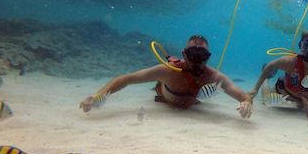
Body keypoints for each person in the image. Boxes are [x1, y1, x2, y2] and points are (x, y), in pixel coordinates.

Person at [79, 35, 252, 118]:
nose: (197, 61)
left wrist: (246, 103)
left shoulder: (214, 77)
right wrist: (98, 95)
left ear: (208, 57)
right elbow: (126, 79)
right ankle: (157, 86)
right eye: (192, 55)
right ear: (184, 54)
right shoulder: (167, 71)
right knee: (156, 84)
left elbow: (242, 95)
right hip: (164, 95)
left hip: (192, 103)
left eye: (202, 57)